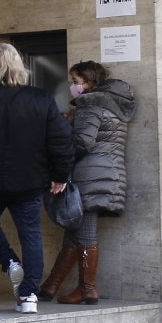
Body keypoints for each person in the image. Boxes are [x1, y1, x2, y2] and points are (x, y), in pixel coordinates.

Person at [0, 43, 73, 314]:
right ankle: (29, 296)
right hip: (31, 180)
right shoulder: (40, 98)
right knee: (31, 235)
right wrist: (60, 175)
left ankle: (10, 262)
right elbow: (61, 139)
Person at [38, 60, 136, 305]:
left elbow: (82, 142)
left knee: (86, 231)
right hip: (106, 174)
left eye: (76, 82)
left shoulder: (91, 105)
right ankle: (50, 286)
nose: (73, 87)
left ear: (90, 82)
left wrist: (59, 160)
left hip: (90, 176)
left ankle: (87, 289)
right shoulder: (113, 106)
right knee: (74, 232)